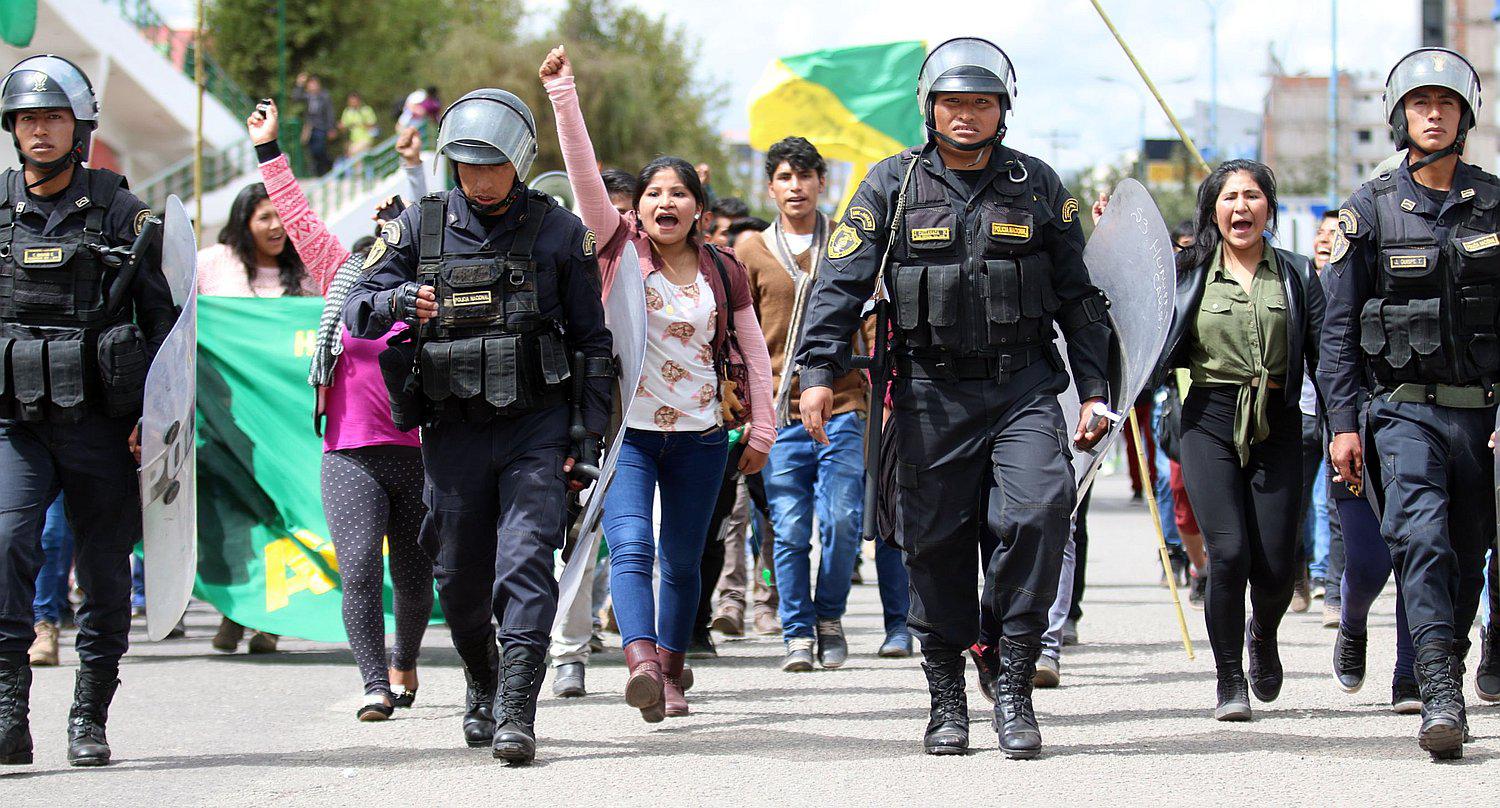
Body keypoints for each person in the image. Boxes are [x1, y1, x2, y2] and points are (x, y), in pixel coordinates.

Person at [795, 38, 1113, 759]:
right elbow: (841, 284)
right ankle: (945, 698)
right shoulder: (891, 184)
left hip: (1023, 388)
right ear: (928, 108)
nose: (965, 115)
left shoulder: (1039, 186)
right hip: (929, 393)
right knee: (935, 547)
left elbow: (1080, 298)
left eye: (980, 102)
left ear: (1003, 109)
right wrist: (816, 370)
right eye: (952, 102)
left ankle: (1012, 680)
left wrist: (1096, 389)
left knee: (1039, 512)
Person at [344, 86, 613, 765]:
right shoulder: (414, 228)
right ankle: (481, 680)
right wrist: (401, 298)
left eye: (492, 164)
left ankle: (518, 713)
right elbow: (355, 306)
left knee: (525, 562)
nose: (480, 178)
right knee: (458, 579)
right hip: (452, 431)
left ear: (518, 161)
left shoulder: (559, 232)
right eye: (467, 164)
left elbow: (592, 344)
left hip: (535, 427)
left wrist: (586, 443)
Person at [541, 45, 775, 723]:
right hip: (630, 436)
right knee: (633, 549)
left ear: (698, 208)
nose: (665, 202)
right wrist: (564, 94)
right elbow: (584, 172)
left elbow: (753, 355)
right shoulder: (617, 249)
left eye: (679, 193)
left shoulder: (723, 270)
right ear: (636, 208)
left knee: (682, 561)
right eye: (654, 193)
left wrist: (760, 429)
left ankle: (672, 668)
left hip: (701, 438)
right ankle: (641, 665)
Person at [0, 55, 178, 767]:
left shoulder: (124, 212)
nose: (38, 130)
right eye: (26, 118)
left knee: (104, 573)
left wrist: (157, 418)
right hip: (17, 421)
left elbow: (165, 324)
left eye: (52, 117)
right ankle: (11, 705)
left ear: (80, 128)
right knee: (6, 543)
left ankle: (89, 715)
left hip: (104, 424)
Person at [1321, 47, 1498, 759]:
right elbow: (1337, 329)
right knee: (1419, 542)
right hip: (1401, 412)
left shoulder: (1495, 202)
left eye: (1446, 104)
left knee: (1469, 552)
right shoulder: (1369, 210)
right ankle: (1439, 695)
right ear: (1400, 117)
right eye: (1421, 104)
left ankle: (1445, 665)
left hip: (1481, 415)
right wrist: (1341, 425)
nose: (1434, 113)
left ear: (1464, 117)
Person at [247, 99, 433, 722]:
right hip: (349, 454)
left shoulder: (429, 291)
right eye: (372, 250)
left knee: (412, 575)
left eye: (394, 246)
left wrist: (413, 185)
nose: (382, 256)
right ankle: (374, 684)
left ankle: (406, 657)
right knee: (356, 567)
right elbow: (299, 219)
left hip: (420, 455)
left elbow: (433, 222)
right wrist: (270, 151)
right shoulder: (340, 279)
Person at [1163, 159, 1323, 722]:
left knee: (1278, 566)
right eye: (1229, 198)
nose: (1241, 207)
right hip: (1208, 419)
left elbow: (1329, 358)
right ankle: (1229, 676)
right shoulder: (1189, 271)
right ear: (1213, 211)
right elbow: (1125, 296)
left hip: (1278, 421)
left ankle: (1264, 634)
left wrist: (1348, 421)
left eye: (1253, 197)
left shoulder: (1300, 275)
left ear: (1269, 209)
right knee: (1228, 554)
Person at [736, 136, 893, 668]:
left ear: (822, 182)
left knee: (845, 517)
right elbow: (742, 333)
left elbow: (873, 322)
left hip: (844, 403)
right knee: (790, 525)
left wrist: (886, 394)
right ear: (771, 186)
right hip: (779, 410)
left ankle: (829, 613)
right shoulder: (751, 250)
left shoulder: (849, 243)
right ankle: (798, 633)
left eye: (804, 176)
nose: (795, 186)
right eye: (784, 177)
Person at [196, 181, 315, 299]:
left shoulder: (308, 271)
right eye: (264, 218)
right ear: (244, 225)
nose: (277, 225)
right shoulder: (211, 261)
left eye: (281, 215)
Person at [294, 73, 336, 176]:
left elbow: (330, 113)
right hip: (310, 128)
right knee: (312, 151)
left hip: (321, 127)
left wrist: (331, 128)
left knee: (320, 149)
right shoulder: (308, 97)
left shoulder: (324, 96)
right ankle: (317, 173)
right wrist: (299, 84)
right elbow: (296, 97)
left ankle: (327, 167)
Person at [339, 91, 378, 161]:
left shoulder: (366, 110)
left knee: (353, 151)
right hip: (354, 141)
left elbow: (372, 125)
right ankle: (359, 172)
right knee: (355, 159)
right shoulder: (347, 112)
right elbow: (343, 126)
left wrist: (360, 124)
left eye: (354, 101)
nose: (353, 104)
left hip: (366, 139)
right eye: (351, 102)